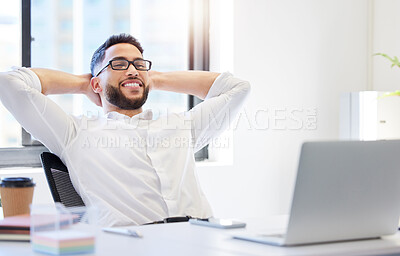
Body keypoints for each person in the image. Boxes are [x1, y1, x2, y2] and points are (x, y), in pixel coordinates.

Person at [0, 33, 250, 226]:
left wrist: (155, 78)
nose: (132, 69)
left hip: (202, 240)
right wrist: (82, 84)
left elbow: (237, 88)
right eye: (118, 64)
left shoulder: (181, 126)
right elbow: (10, 83)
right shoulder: (75, 132)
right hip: (131, 245)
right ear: (96, 82)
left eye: (139, 64)